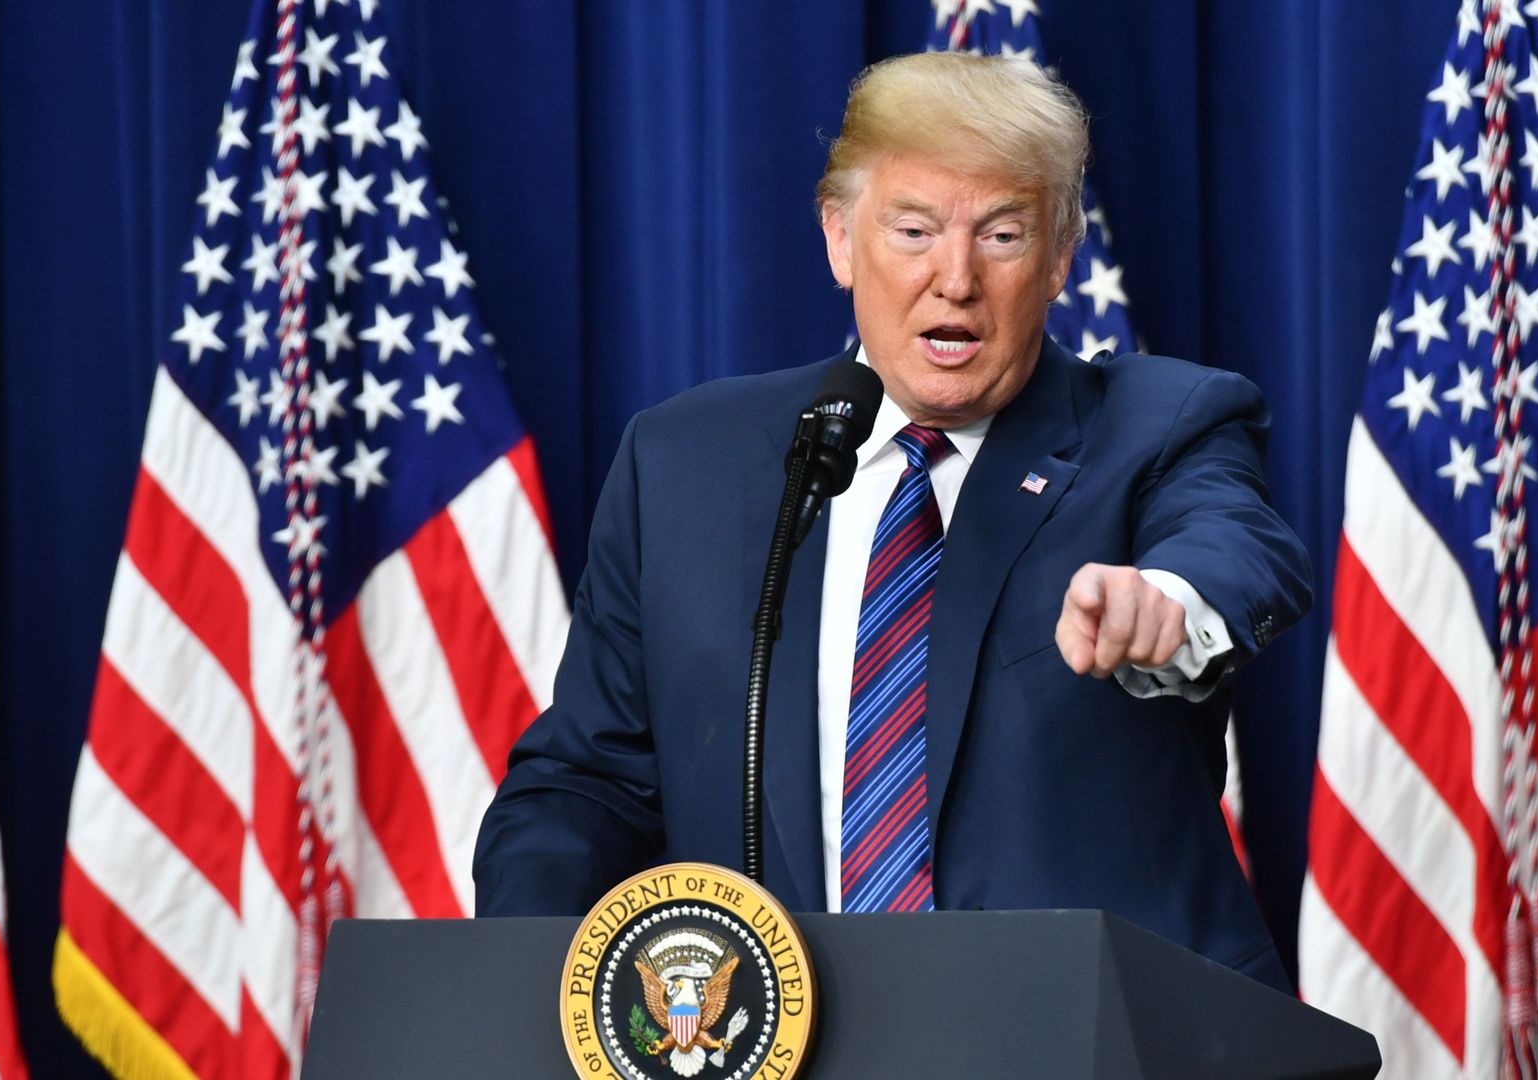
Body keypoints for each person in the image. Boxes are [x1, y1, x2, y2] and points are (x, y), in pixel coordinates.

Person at [474, 51, 1310, 990]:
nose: (955, 279)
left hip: (1100, 1039)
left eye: (1002, 236)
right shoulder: (682, 465)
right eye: (913, 230)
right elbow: (587, 784)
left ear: (1060, 258)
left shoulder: (1161, 423)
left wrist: (1164, 603)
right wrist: (527, 993)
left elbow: (1233, 543)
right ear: (840, 239)